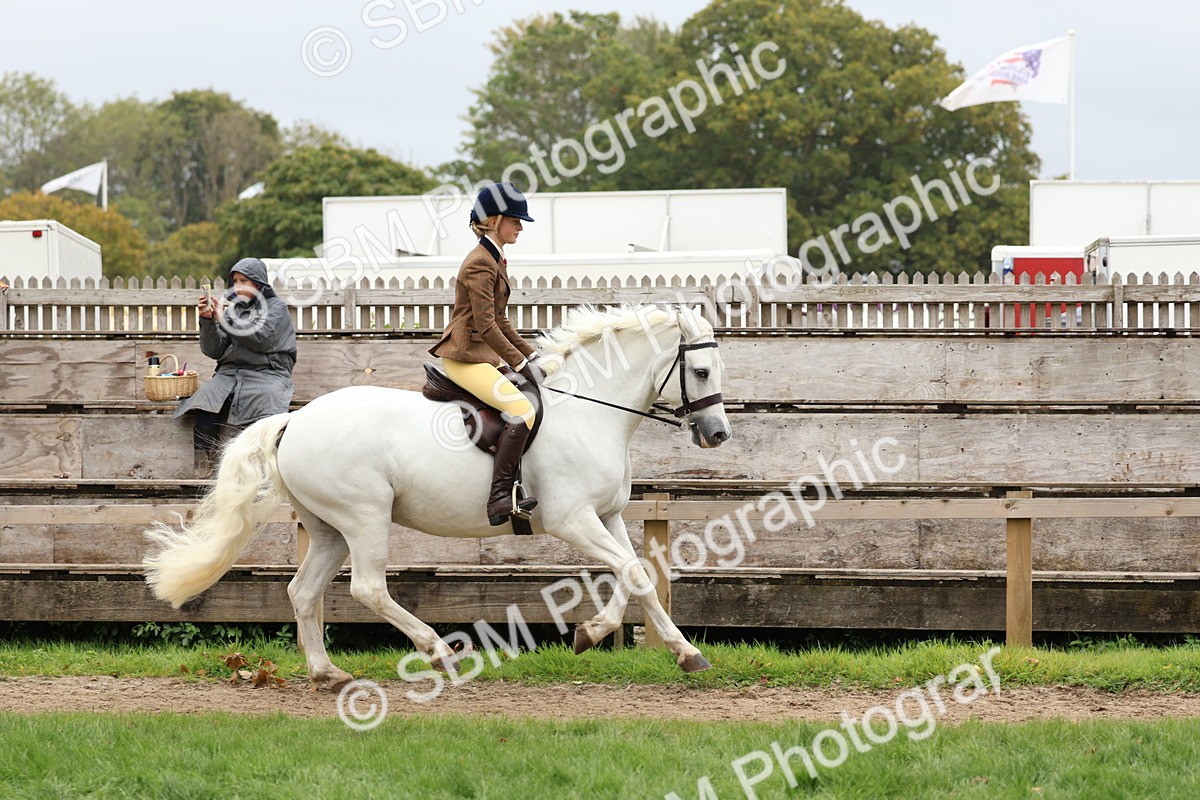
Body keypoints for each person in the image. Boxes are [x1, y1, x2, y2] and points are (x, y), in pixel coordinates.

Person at [429, 182, 547, 525]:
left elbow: (500, 319)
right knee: (522, 410)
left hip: (481, 354)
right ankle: (498, 498)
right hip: (465, 356)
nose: (520, 227)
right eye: (515, 220)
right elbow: (485, 325)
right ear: (494, 220)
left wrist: (533, 357)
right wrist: (521, 363)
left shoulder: (494, 257)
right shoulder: (480, 262)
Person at [175, 257, 297, 477]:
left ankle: (261, 472)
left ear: (259, 284)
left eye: (244, 281)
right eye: (235, 281)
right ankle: (203, 467)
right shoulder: (233, 311)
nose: (237, 286)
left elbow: (262, 339)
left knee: (263, 402)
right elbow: (214, 350)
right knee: (205, 400)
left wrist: (223, 318)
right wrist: (208, 321)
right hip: (230, 374)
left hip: (268, 374)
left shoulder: (277, 308)